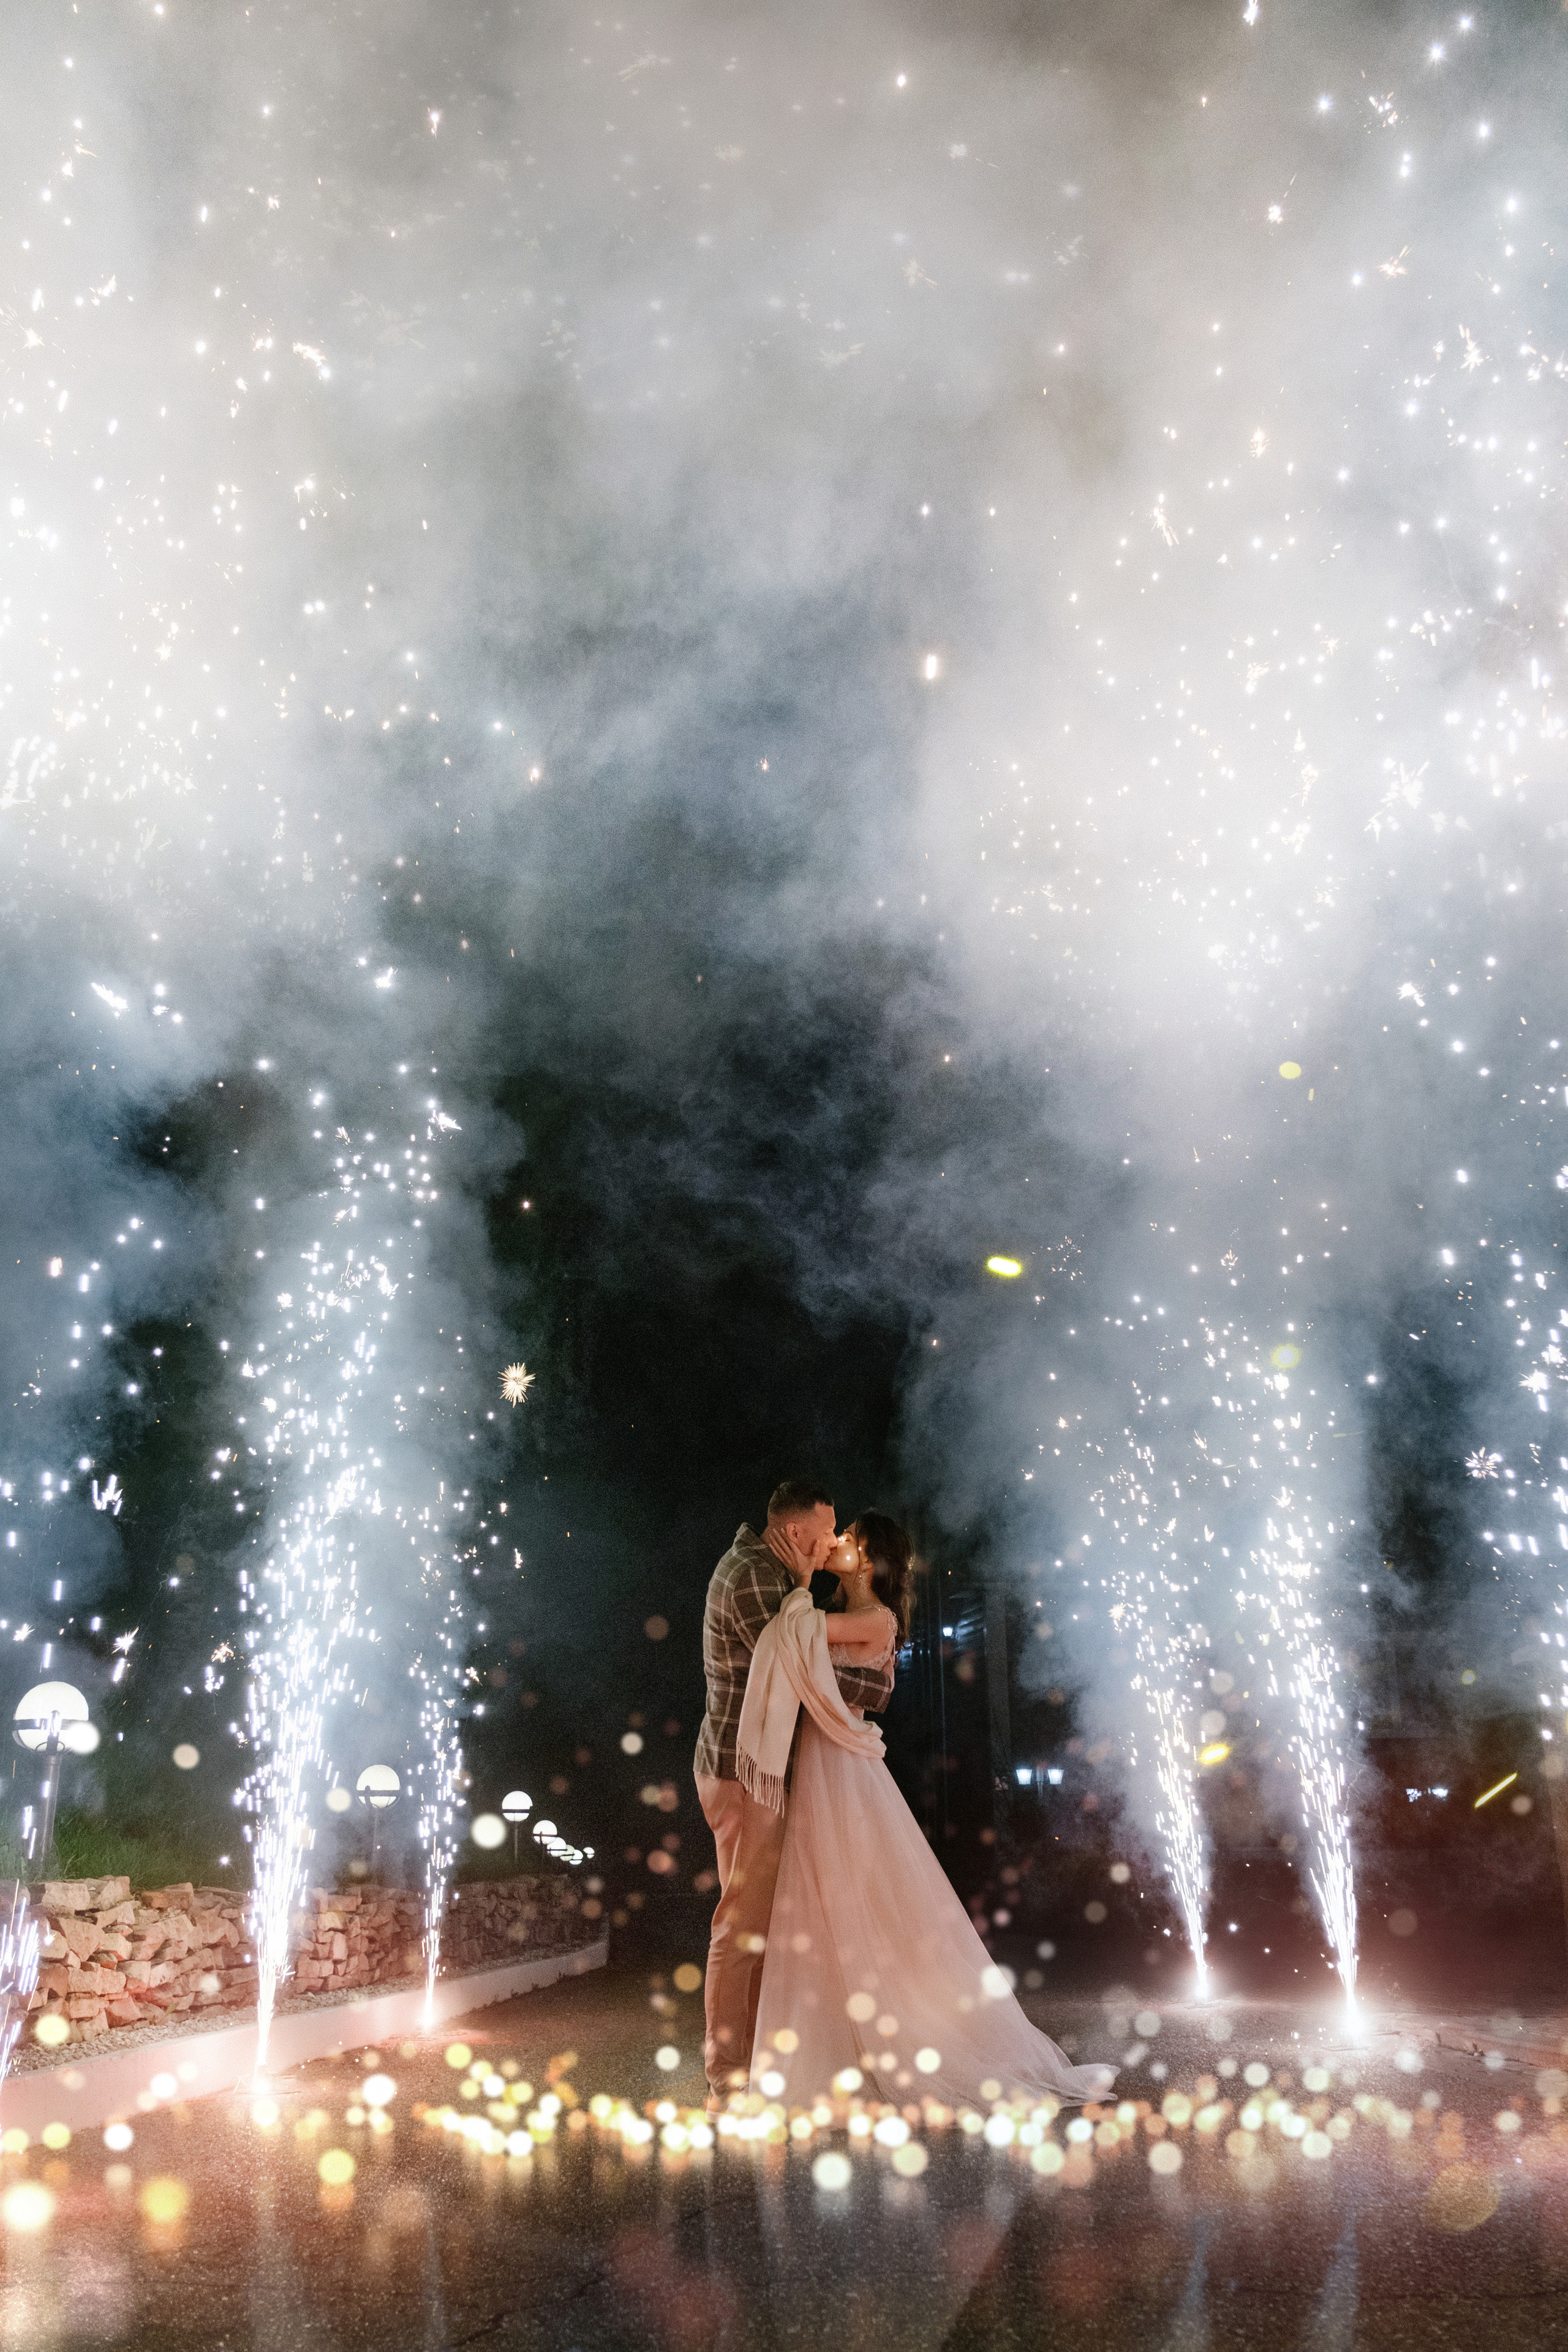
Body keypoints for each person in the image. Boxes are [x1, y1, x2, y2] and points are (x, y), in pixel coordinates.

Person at [744, 1511, 1116, 2110]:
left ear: (868, 1559)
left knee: (848, 1889)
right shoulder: (846, 1613)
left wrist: (801, 1574)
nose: (836, 1544)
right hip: (826, 1763)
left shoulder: (875, 1619)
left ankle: (885, 2031)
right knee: (822, 1890)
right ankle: (831, 2040)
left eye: (849, 1540)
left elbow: (799, 1633)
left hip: (842, 1768)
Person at [693, 1481, 894, 2101]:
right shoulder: (756, 1576)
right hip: (741, 1770)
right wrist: (879, 1689)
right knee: (744, 1922)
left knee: (759, 1921)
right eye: (828, 1529)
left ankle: (749, 2056)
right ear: (798, 1529)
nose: (833, 1541)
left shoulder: (774, 1578)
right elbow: (797, 1669)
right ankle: (728, 2069)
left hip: (749, 1769)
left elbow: (804, 1653)